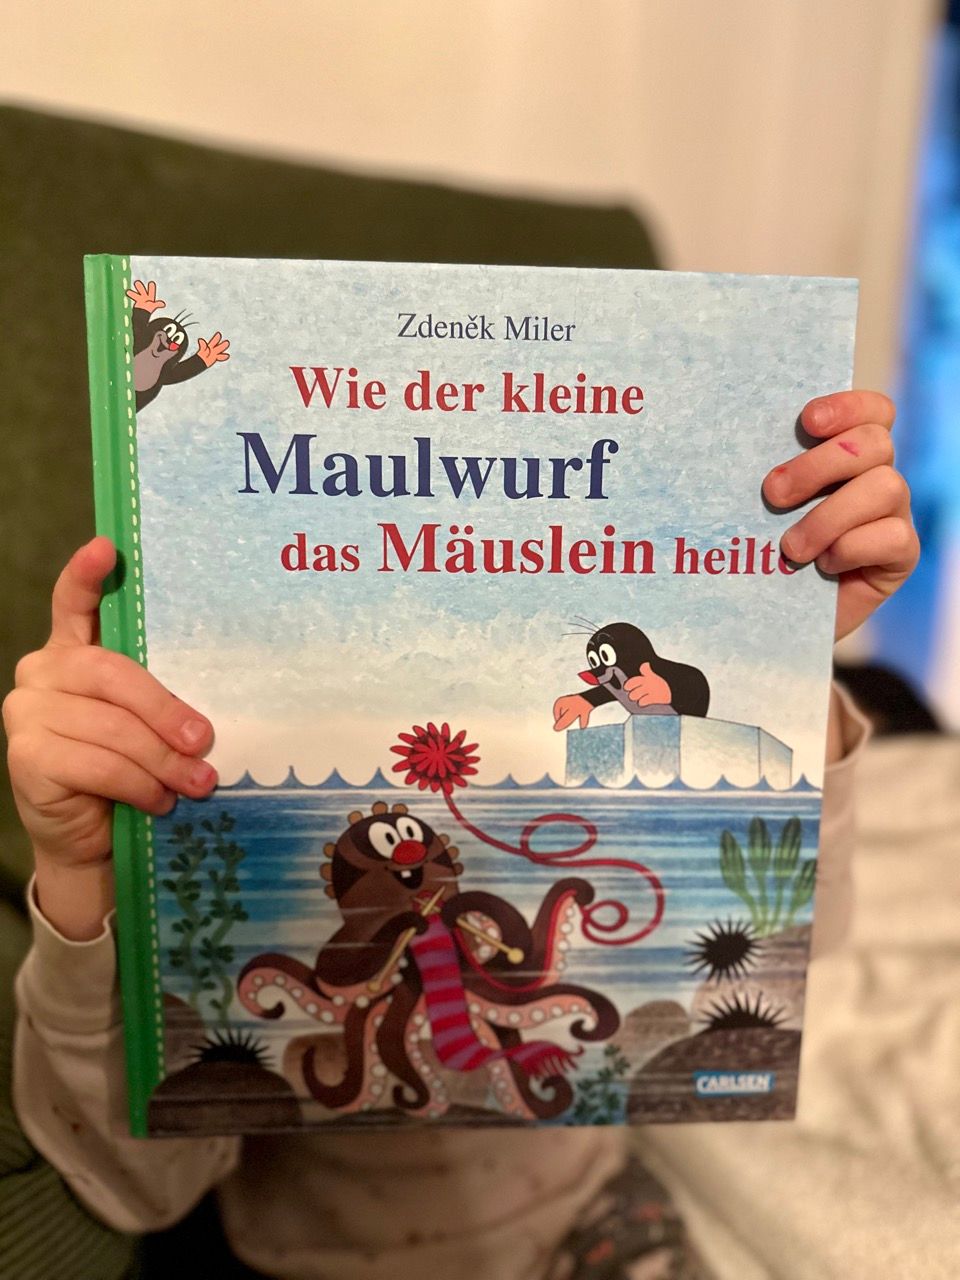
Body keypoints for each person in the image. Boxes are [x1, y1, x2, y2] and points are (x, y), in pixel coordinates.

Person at [3, 390, 919, 1279]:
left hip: (601, 1216)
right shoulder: (238, 840)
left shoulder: (554, 801)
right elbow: (136, 1188)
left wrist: (789, 663)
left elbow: (794, 956)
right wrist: (82, 871)